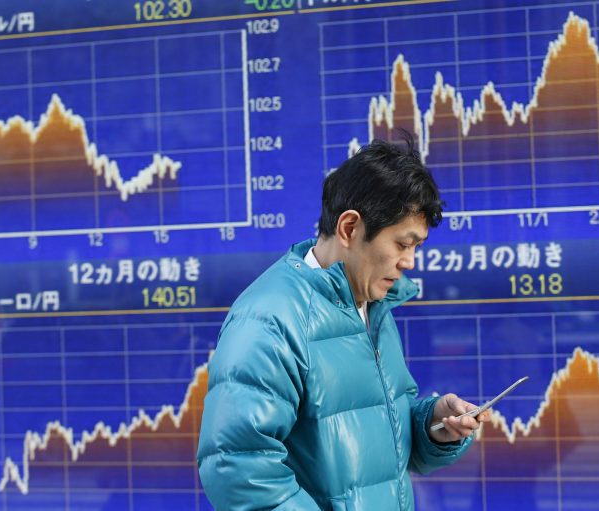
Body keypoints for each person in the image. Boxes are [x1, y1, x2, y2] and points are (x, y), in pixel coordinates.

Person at [197, 137, 490, 510]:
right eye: (403, 244)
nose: (411, 262)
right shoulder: (270, 318)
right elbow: (236, 467)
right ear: (350, 228)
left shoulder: (371, 305)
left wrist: (435, 426)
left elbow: (377, 443)